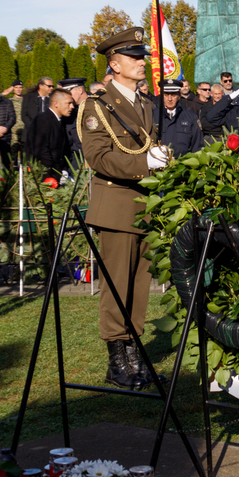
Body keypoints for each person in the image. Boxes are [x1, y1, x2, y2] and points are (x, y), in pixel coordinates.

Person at [79, 27, 169, 391]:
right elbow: (98, 157)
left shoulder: (144, 103)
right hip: (116, 206)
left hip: (144, 206)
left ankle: (135, 359)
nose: (141, 62)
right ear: (114, 65)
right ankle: (117, 363)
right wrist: (144, 163)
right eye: (133, 57)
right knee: (117, 286)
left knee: (140, 285)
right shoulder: (97, 106)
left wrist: (159, 161)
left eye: (141, 56)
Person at [28, 88, 74, 181]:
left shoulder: (59, 121)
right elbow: (41, 151)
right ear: (56, 103)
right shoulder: (42, 120)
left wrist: (64, 170)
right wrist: (57, 174)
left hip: (56, 174)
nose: (72, 106)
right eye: (68, 103)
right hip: (46, 177)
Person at [155, 79, 204, 157]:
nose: (169, 99)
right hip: (159, 161)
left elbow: (197, 145)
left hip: (183, 162)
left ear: (179, 96)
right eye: (166, 95)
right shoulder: (153, 115)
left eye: (173, 95)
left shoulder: (190, 117)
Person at [21, 78, 54, 150]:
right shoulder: (28, 97)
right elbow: (24, 115)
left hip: (47, 134)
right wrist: (33, 127)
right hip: (31, 134)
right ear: (41, 86)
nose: (51, 88)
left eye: (52, 86)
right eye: (49, 86)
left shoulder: (53, 98)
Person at [58, 78, 87, 154]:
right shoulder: (69, 112)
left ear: (80, 90)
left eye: (69, 93)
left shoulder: (95, 107)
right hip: (74, 156)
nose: (67, 96)